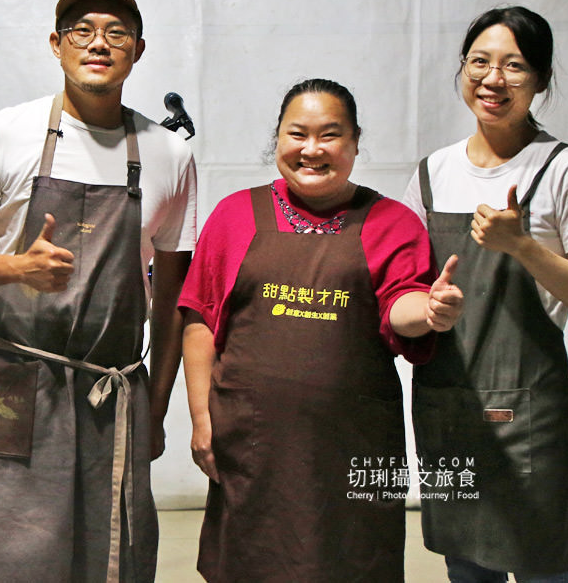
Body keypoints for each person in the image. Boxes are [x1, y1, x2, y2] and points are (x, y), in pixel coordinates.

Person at [0, 0, 197, 582]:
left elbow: (173, 302)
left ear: (138, 49)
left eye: (116, 33)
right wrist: (15, 268)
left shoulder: (166, 155)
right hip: (14, 384)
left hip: (114, 394)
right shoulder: (4, 134)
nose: (98, 44)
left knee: (108, 556)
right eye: (82, 30)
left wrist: (154, 410)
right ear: (57, 44)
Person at [179, 78, 463, 582]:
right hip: (253, 446)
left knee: (351, 563)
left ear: (355, 143)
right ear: (278, 139)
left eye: (330, 135)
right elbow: (201, 319)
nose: (312, 150)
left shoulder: (391, 222)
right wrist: (202, 418)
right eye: (297, 134)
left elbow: (402, 302)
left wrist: (430, 311)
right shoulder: (234, 216)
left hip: (352, 446)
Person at [402, 7, 568, 583]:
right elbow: (408, 289)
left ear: (540, 79)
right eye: (480, 62)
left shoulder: (564, 169)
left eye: (514, 66)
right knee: (464, 565)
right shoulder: (430, 174)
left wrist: (523, 247)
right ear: (462, 70)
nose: (494, 79)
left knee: (542, 563)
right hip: (449, 403)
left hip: (532, 414)